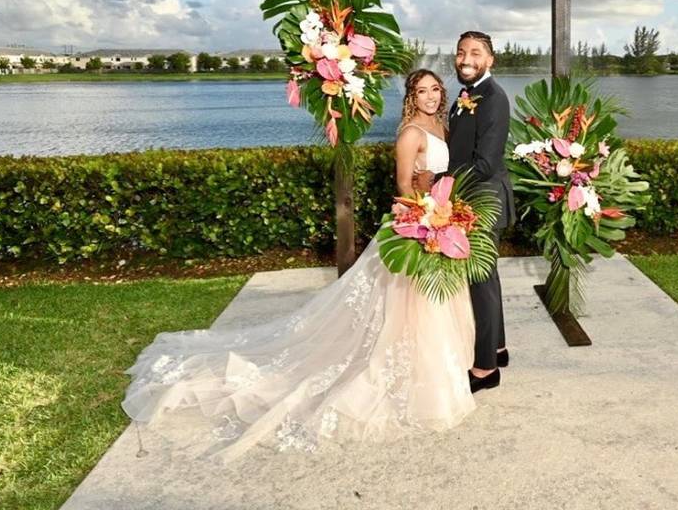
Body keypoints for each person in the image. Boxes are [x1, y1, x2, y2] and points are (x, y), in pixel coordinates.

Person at [122, 69, 477, 461]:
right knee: (407, 307)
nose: (429, 96)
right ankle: (416, 376)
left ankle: (438, 371)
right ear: (411, 96)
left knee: (432, 303)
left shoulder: (442, 124)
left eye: (434, 89)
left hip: (441, 220)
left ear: (442, 93)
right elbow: (403, 184)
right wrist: (425, 213)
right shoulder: (411, 132)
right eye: (421, 91)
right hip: (417, 223)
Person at [414, 31, 516, 393]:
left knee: (481, 284)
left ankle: (486, 369)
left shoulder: (493, 99)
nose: (465, 58)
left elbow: (485, 164)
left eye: (475, 53)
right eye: (460, 52)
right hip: (472, 198)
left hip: (483, 202)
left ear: (490, 60)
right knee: (487, 279)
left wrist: (438, 179)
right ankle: (498, 348)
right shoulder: (468, 95)